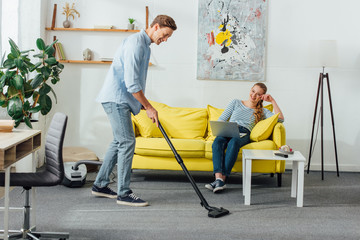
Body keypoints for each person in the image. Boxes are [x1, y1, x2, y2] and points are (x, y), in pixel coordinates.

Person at [92, 15, 177, 206]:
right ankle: (124, 193)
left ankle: (100, 184)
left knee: (118, 141)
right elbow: (132, 84)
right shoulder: (136, 44)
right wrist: (149, 107)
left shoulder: (144, 45)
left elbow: (134, 82)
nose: (164, 40)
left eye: (167, 38)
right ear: (155, 27)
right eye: (164, 35)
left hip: (119, 99)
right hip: (116, 99)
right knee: (127, 142)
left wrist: (142, 105)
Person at [205, 83, 284, 193]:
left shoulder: (263, 111)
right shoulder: (236, 102)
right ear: (250, 90)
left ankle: (222, 180)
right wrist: (221, 128)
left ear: (262, 97)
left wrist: (272, 101)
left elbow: (280, 119)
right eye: (253, 91)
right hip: (229, 129)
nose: (253, 95)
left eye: (258, 94)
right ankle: (218, 179)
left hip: (244, 132)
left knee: (234, 142)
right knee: (217, 142)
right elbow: (222, 119)